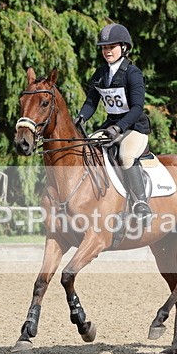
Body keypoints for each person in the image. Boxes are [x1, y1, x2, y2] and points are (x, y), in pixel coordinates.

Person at [73, 23, 153, 221]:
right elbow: (91, 102)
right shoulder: (101, 73)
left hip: (134, 127)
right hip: (111, 126)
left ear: (124, 47)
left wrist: (119, 127)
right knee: (86, 149)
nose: (107, 51)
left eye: (111, 47)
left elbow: (137, 108)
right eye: (104, 48)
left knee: (126, 156)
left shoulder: (132, 73)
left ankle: (141, 204)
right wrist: (81, 116)